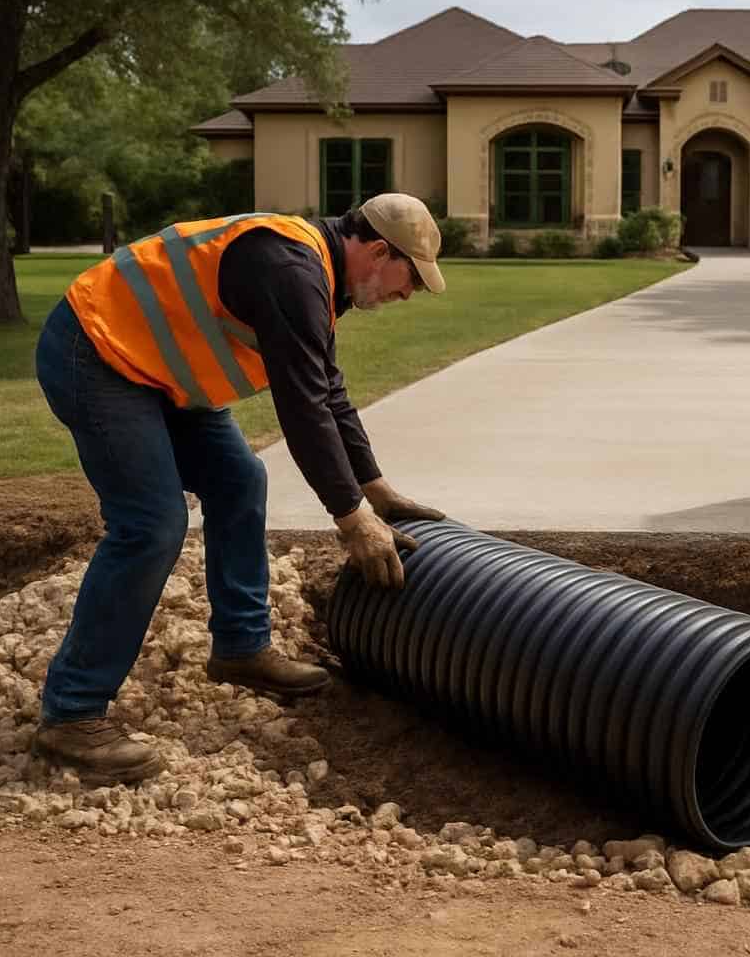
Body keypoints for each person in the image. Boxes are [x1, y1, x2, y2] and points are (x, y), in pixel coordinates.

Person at [30, 192, 447, 784]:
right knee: (151, 524)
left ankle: (240, 648)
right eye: (411, 278)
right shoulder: (289, 270)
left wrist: (376, 491)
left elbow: (328, 390)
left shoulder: (322, 281)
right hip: (100, 353)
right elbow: (302, 410)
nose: (408, 294)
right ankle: (71, 713)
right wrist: (351, 518)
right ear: (379, 251)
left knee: (240, 480)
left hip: (163, 374)